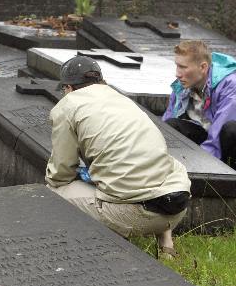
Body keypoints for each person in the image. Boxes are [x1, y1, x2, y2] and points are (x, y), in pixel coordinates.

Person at [46, 56, 191, 258]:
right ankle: (166, 243)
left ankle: (90, 250)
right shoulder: (121, 99)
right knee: (153, 169)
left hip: (135, 215)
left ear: (68, 88)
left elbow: (61, 173)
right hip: (176, 208)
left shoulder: (67, 106)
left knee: (52, 193)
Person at [162, 40, 236, 167]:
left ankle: (228, 174)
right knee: (172, 126)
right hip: (208, 133)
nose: (177, 73)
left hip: (225, 138)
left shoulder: (231, 85)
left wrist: (199, 167)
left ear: (203, 67)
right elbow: (168, 119)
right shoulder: (183, 83)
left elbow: (218, 133)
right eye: (177, 65)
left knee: (231, 130)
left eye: (183, 67)